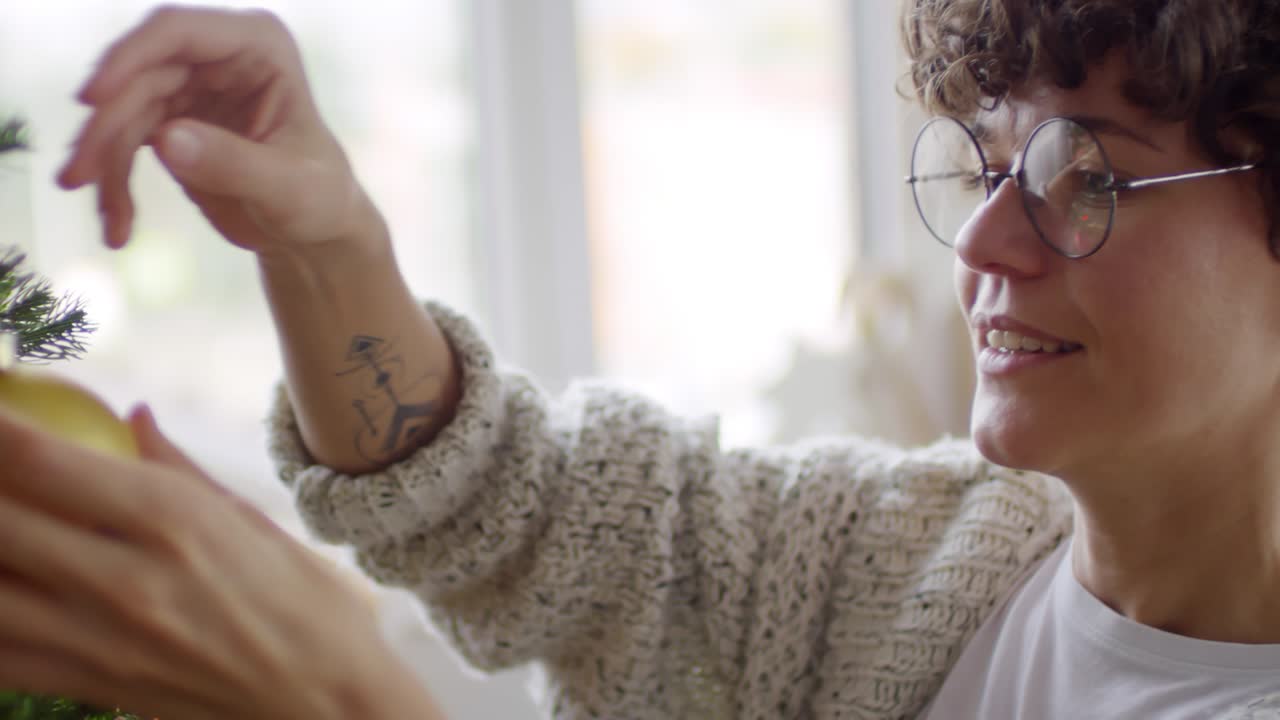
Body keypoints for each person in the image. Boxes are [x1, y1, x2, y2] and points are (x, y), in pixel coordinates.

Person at [1, 0, 1278, 717]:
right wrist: (326, 239)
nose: (989, 239)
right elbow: (529, 515)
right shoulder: (917, 563)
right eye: (990, 161)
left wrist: (333, 701)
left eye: (1084, 173)